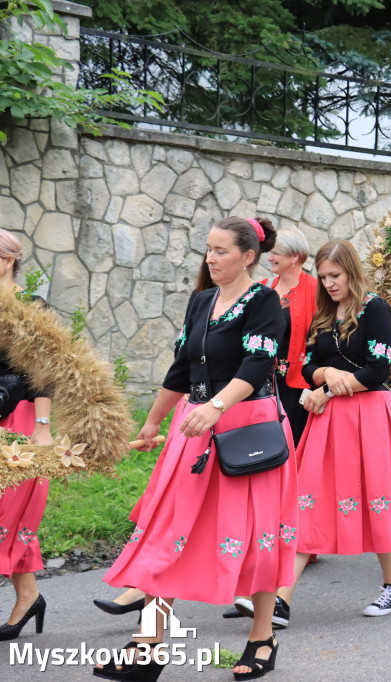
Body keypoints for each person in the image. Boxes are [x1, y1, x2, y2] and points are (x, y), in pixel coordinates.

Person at [97, 216, 295, 682]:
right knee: (166, 532)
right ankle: (147, 646)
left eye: (221, 250)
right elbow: (182, 367)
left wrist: (219, 405)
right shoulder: (202, 300)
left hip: (247, 430)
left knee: (257, 540)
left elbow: (258, 362)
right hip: (194, 430)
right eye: (208, 249)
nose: (211, 258)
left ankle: (261, 637)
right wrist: (151, 421)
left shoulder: (266, 301)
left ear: (249, 256)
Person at [274, 239, 391, 617]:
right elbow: (303, 366)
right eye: (323, 277)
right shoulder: (325, 313)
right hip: (330, 417)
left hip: (369, 413)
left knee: (376, 496)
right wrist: (327, 375)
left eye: (335, 275)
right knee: (309, 497)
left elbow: (378, 371)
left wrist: (328, 390)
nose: (329, 283)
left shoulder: (375, 308)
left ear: (352, 270)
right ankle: (282, 597)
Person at [0, 230, 54, 642]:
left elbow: (43, 375)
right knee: (11, 519)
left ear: (7, 261)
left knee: (8, 511)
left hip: (17, 419)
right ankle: (29, 595)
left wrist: (42, 428)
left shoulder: (30, 307)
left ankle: (27, 597)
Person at [262, 229, 318, 447]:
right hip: (263, 382)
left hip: (298, 385)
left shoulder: (316, 290)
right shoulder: (263, 287)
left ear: (294, 256)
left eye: (276, 252)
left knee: (292, 446)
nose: (269, 257)